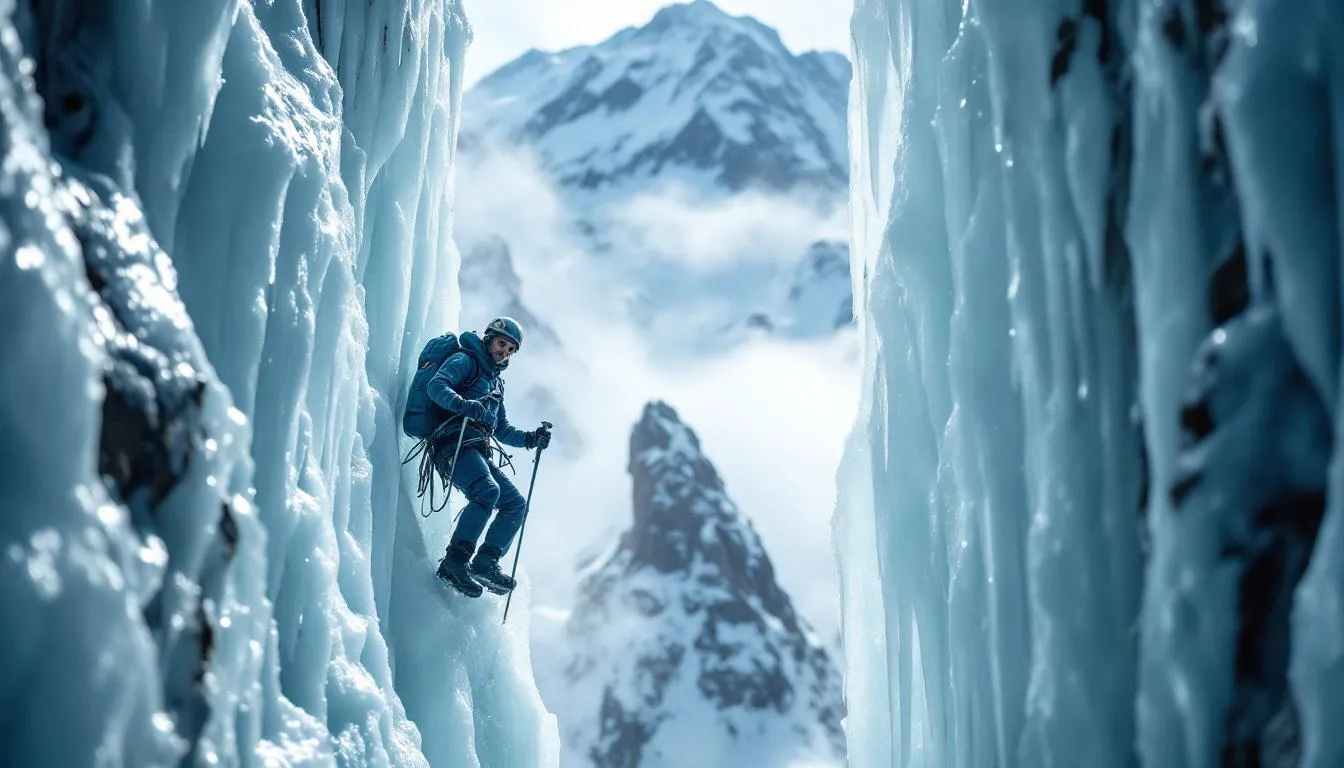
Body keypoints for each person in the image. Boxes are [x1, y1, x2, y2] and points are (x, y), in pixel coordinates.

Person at [426, 317, 551, 597]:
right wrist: (463, 405)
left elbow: (502, 429)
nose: (504, 352)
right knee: (487, 491)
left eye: (510, 350)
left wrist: (531, 439)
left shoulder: (495, 383)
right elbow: (437, 386)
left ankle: (485, 562)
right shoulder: (465, 360)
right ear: (489, 338)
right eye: (501, 344)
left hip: (473, 450)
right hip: (451, 446)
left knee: (516, 505)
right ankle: (454, 562)